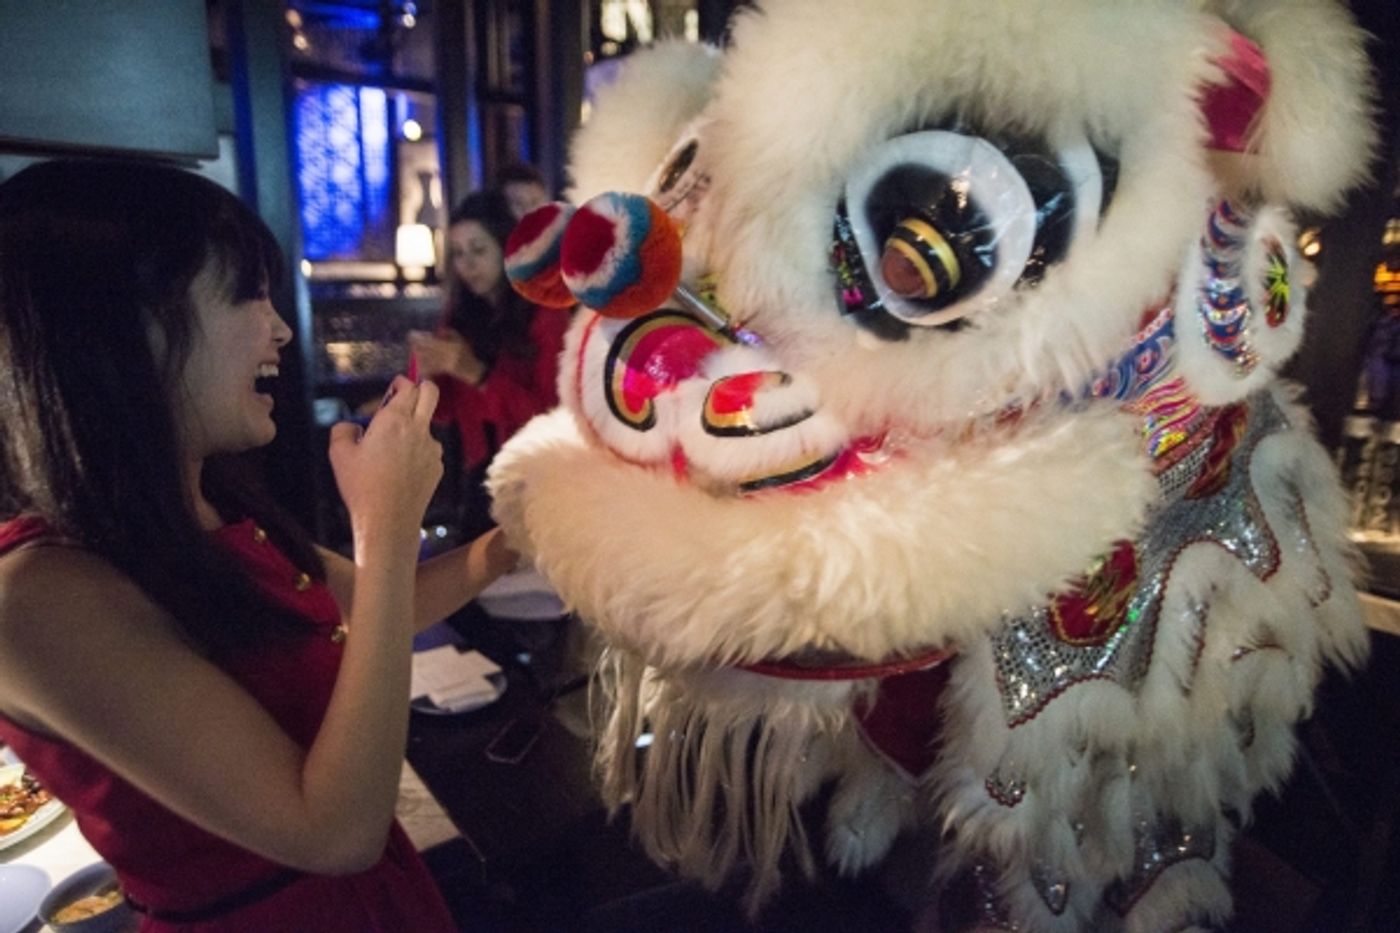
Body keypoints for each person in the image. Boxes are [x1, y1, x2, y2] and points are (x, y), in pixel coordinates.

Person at [0, 159, 517, 932]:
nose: (278, 326)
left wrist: (525, 534)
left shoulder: (203, 502)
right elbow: (334, 829)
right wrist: (386, 521)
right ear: (122, 325)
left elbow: (384, 604)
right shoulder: (37, 596)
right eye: (246, 293)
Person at [409, 189, 570, 538]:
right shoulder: (461, 314)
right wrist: (427, 373)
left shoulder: (545, 314)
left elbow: (551, 416)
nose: (467, 265)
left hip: (537, 475)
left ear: (506, 246)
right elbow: (445, 410)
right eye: (458, 254)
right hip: (478, 474)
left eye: (478, 250)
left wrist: (475, 373)